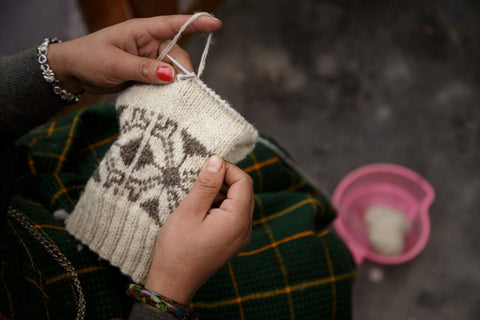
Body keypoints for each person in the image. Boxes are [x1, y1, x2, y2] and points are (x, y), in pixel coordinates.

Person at [1, 14, 355, 320]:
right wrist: (166, 295)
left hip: (41, 180)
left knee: (264, 175)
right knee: (313, 264)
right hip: (117, 300)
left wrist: (59, 66)